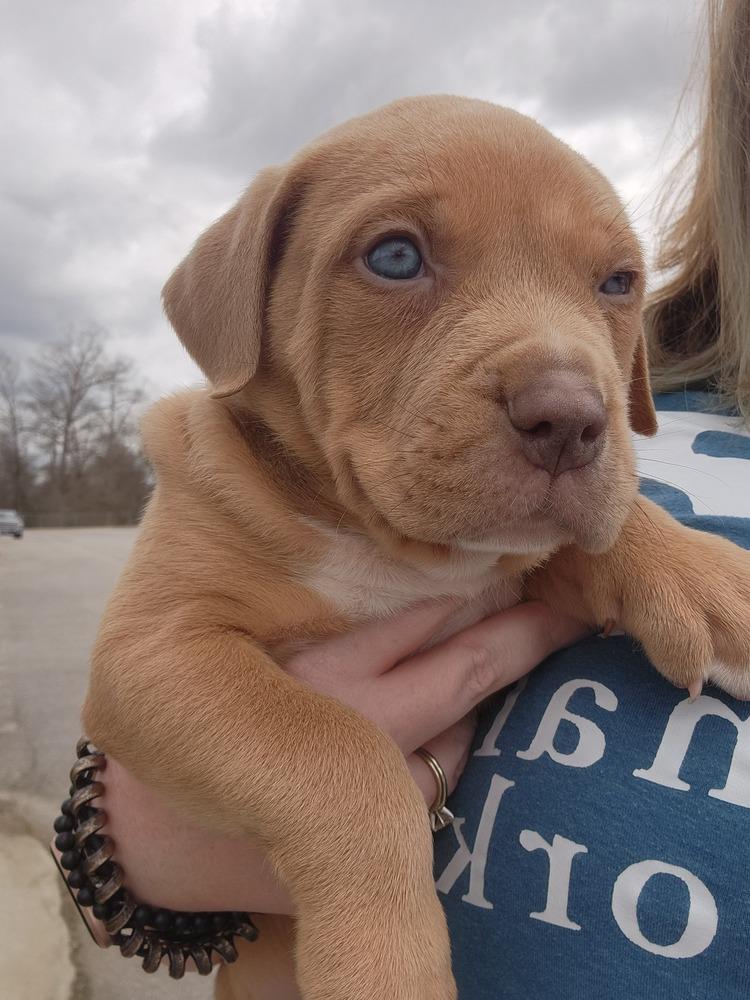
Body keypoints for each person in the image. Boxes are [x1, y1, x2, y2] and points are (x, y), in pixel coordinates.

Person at [91, 0, 750, 996]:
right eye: (396, 256)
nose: (569, 399)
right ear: (250, 296)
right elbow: (137, 678)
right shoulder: (223, 482)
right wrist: (341, 814)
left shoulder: (574, 495)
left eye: (612, 285)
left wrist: (634, 543)